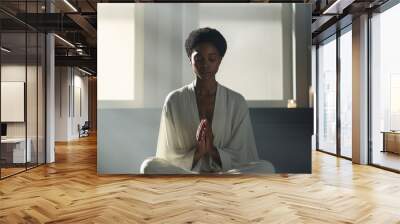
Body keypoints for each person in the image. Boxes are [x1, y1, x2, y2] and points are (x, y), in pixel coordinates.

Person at [140, 27, 274, 174]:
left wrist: (212, 150)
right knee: (148, 166)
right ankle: (197, 181)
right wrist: (198, 153)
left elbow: (242, 156)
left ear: (220, 60)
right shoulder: (174, 100)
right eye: (199, 59)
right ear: (190, 60)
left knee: (266, 168)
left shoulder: (236, 101)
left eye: (212, 58)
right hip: (187, 174)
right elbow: (168, 155)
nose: (205, 64)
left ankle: (217, 181)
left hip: (226, 174)